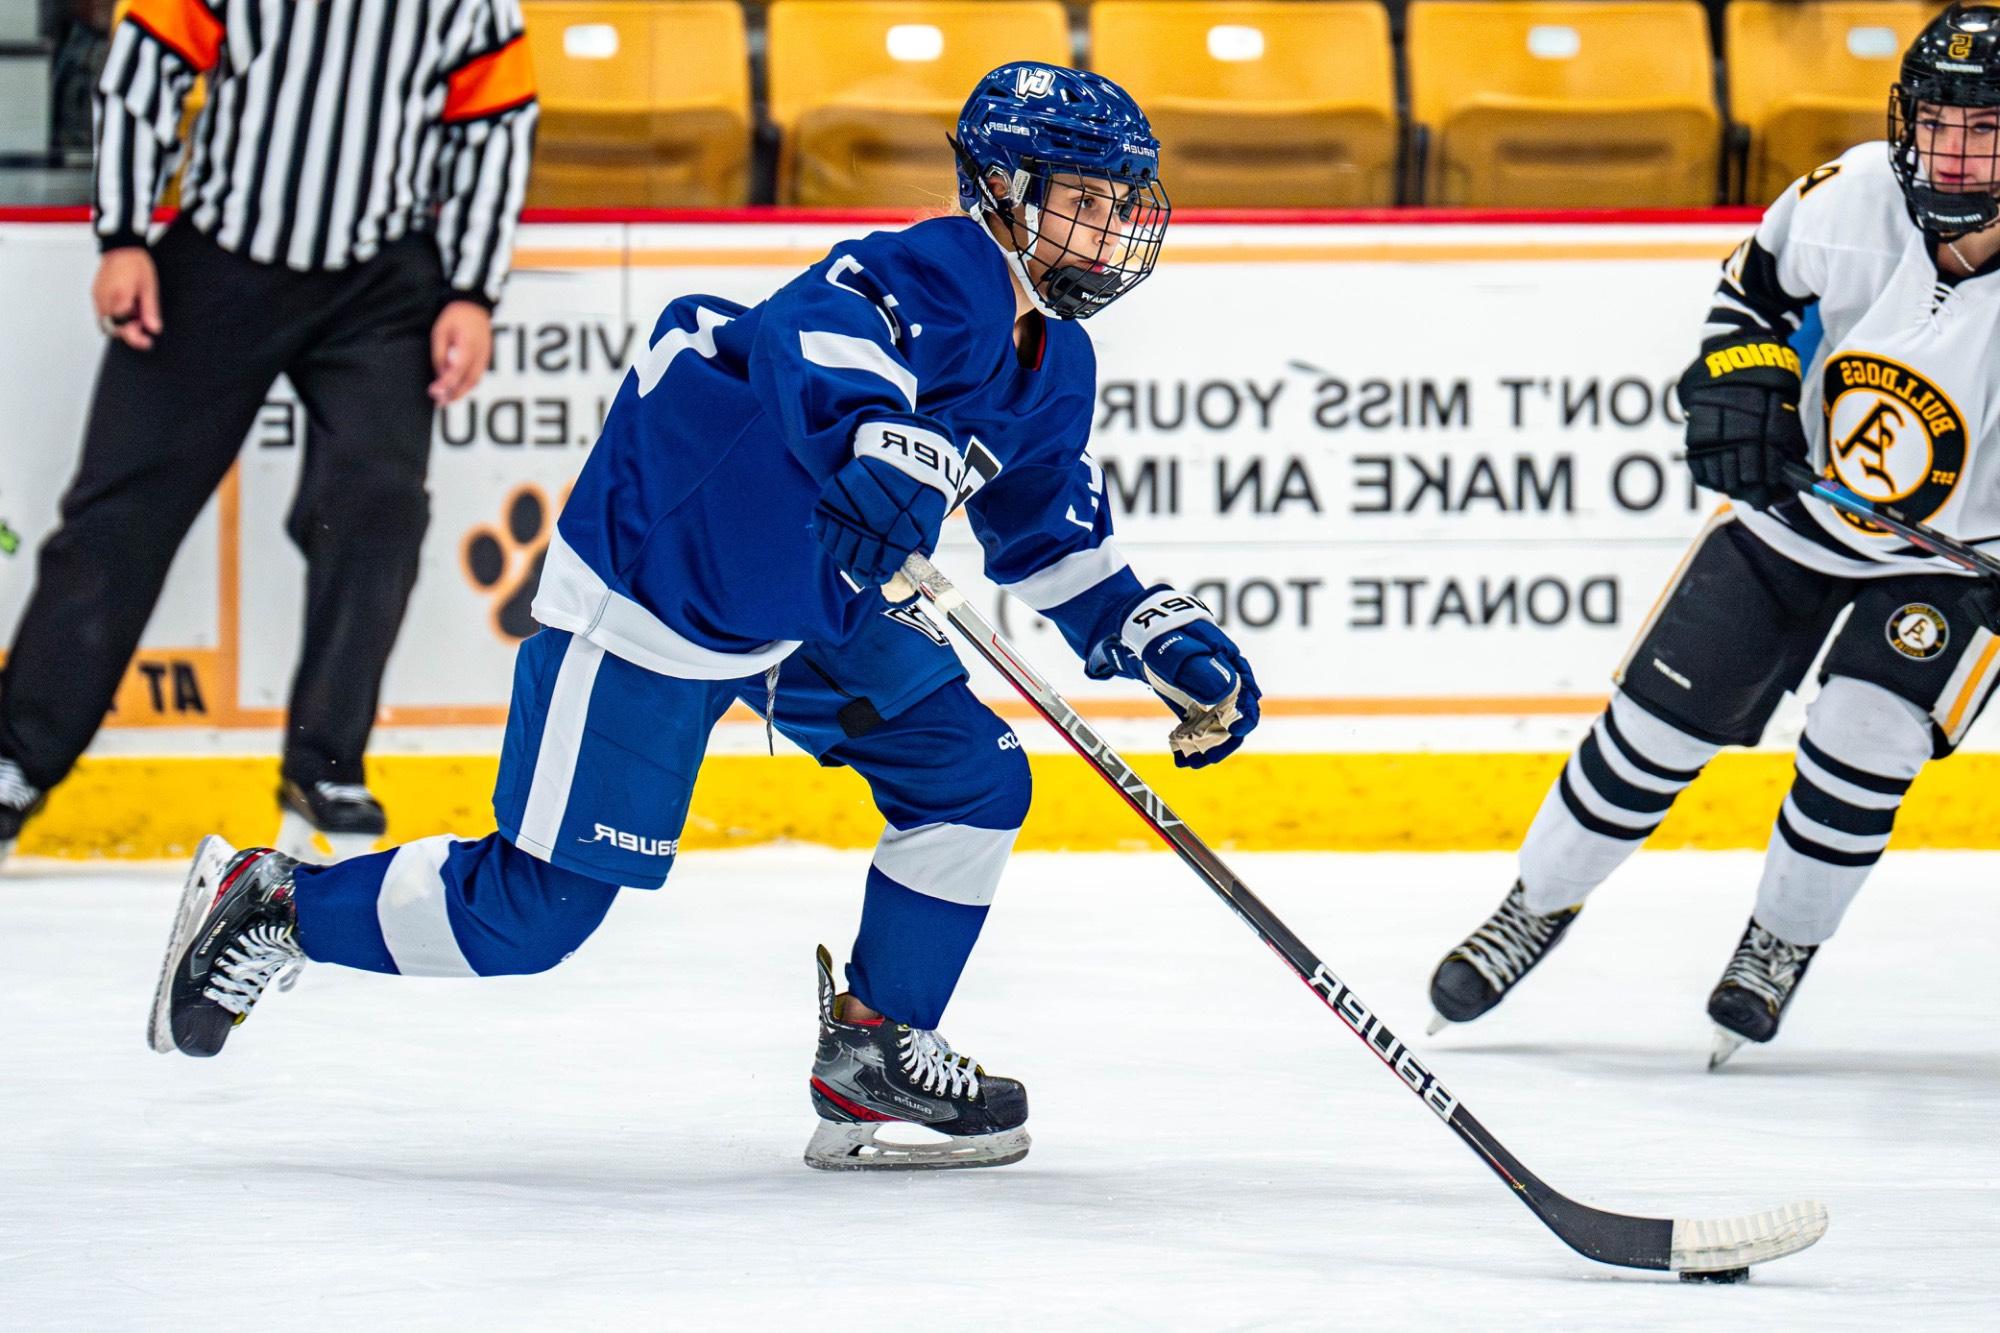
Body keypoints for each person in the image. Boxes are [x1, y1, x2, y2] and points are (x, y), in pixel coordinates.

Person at [145, 64, 1264, 1170]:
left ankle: (871, 1046)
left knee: (970, 775)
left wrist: (1152, 630)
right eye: (1088, 197)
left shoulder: (1056, 363)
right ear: (1005, 194)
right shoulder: (938, 267)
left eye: (1124, 201)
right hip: (663, 582)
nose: (1115, 225)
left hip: (808, 597)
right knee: (529, 916)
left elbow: (1047, 534)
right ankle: (275, 903)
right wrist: (881, 437)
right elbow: (820, 328)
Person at [1426, 5, 2000, 1068]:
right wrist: (1740, 392)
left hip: (1958, 560)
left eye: (1984, 130)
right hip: (1797, 516)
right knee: (1652, 729)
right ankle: (1534, 905)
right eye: (1935, 123)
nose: (1951, 152)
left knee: (1865, 737)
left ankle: (1778, 942)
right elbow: (1749, 301)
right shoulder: (1850, 196)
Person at [0, 0, 537, 866]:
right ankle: (15, 758)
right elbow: (145, 69)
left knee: (377, 506)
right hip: (220, 256)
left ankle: (326, 764)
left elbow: (498, 125)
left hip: (381, 283)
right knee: (120, 513)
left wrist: (472, 292)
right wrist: (125, 233)